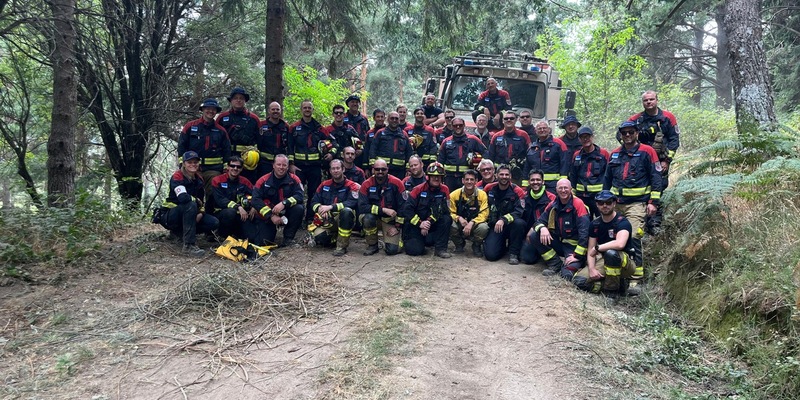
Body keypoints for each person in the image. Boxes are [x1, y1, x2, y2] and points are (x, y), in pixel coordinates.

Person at [604, 121, 662, 294]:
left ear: (637, 133)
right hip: (616, 205)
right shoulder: (614, 154)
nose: (627, 135)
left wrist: (653, 202)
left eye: (630, 132)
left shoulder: (647, 151)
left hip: (637, 204)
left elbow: (656, 177)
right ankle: (613, 280)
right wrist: (604, 201)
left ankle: (636, 280)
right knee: (610, 239)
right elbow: (607, 180)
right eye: (624, 133)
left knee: (634, 237)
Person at [628, 90, 680, 234]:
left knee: (659, 188)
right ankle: (640, 220)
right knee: (642, 188)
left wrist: (667, 161)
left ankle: (655, 223)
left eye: (651, 99)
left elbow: (674, 140)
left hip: (661, 161)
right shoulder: (636, 120)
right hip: (641, 162)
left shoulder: (667, 118)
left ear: (657, 100)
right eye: (646, 100)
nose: (649, 102)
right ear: (642, 102)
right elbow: (621, 133)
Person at [572, 190, 638, 296]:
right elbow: (590, 250)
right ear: (597, 205)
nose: (605, 206)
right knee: (579, 282)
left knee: (611, 253)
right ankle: (618, 285)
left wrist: (598, 248)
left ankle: (611, 293)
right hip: (604, 260)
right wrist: (592, 269)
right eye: (601, 203)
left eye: (608, 202)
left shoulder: (622, 222)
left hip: (625, 263)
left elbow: (620, 244)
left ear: (614, 203)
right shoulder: (595, 224)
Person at [162, 151, 220, 257]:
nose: (193, 164)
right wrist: (196, 201)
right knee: (190, 204)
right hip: (171, 215)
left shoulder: (199, 179)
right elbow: (183, 198)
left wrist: (201, 213)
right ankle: (189, 246)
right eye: (190, 162)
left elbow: (202, 202)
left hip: (190, 211)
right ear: (184, 163)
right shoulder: (178, 176)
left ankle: (179, 234)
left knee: (213, 222)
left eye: (195, 162)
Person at [531, 178, 590, 279]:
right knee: (534, 235)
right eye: (560, 188)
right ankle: (555, 263)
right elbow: (538, 222)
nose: (563, 190)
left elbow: (584, 233)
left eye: (566, 188)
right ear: (556, 190)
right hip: (559, 242)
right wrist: (543, 228)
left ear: (571, 189)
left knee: (566, 275)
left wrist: (576, 256)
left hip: (574, 247)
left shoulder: (578, 204)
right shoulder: (553, 204)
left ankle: (579, 263)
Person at [288, 100, 332, 222]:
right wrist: (291, 165)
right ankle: (295, 219)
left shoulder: (319, 128)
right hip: (299, 167)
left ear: (312, 110)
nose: (307, 110)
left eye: (309, 108)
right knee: (297, 192)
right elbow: (290, 148)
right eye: (305, 108)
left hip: (315, 167)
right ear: (301, 110)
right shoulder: (293, 128)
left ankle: (310, 218)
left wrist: (330, 153)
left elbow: (332, 143)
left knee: (314, 193)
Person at [178, 98, 231, 194]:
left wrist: (225, 168)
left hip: (213, 169)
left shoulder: (221, 131)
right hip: (192, 168)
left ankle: (210, 209)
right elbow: (182, 146)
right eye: (208, 108)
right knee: (192, 194)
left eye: (213, 109)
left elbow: (226, 151)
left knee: (212, 193)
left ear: (216, 112)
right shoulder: (190, 126)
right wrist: (183, 164)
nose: (210, 111)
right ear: (202, 110)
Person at [251, 154, 306, 247]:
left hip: (286, 212)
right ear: (273, 165)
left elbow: (300, 196)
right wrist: (271, 215)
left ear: (288, 167)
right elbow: (255, 200)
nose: (281, 167)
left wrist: (284, 203)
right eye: (279, 164)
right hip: (268, 215)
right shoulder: (263, 180)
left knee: (299, 208)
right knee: (264, 242)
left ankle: (288, 238)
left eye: (284, 165)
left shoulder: (294, 179)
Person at [310, 159, 361, 256]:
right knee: (320, 239)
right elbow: (313, 202)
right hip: (327, 220)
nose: (335, 171)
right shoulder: (324, 185)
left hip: (345, 219)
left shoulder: (352, 186)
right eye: (333, 169)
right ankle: (335, 237)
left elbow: (352, 202)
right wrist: (320, 208)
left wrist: (330, 207)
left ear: (343, 169)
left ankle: (342, 246)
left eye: (338, 168)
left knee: (346, 211)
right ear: (330, 171)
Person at [403, 162, 452, 258]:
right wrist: (420, 223)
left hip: (431, 225)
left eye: (439, 176)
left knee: (447, 218)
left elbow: (445, 209)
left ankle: (440, 249)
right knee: (415, 251)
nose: (436, 178)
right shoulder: (418, 190)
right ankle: (420, 242)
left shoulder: (444, 190)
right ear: (428, 177)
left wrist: (428, 222)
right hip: (416, 225)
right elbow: (407, 210)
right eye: (433, 176)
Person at [358, 159, 406, 256]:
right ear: (373, 170)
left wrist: (397, 227)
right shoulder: (366, 184)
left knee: (392, 250)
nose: (380, 171)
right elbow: (362, 207)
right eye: (377, 169)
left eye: (383, 169)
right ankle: (372, 245)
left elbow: (403, 206)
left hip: (390, 221)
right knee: (367, 218)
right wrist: (382, 210)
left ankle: (394, 241)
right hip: (374, 219)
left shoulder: (397, 183)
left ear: (387, 169)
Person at [483, 164, 526, 264]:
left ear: (510, 176)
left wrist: (503, 219)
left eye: (507, 174)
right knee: (491, 256)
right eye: (501, 174)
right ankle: (501, 247)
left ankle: (513, 253)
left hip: (512, 226)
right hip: (495, 226)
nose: (504, 177)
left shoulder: (517, 191)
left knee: (519, 223)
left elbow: (520, 211)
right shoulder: (489, 188)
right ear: (496, 175)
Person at [217, 88, 261, 183]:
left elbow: (260, 141)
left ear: (245, 101)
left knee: (248, 185)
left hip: (248, 160)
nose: (238, 100)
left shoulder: (254, 119)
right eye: (235, 98)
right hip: (228, 157)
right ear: (231, 101)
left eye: (241, 98)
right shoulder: (222, 118)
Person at [209, 156, 257, 240]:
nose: (235, 168)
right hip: (220, 214)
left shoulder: (244, 181)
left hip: (241, 215)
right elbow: (220, 200)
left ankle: (236, 234)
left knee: (251, 237)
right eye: (232, 166)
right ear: (227, 167)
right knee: (230, 213)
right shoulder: (217, 180)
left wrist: (254, 206)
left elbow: (256, 194)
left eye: (238, 167)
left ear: (242, 169)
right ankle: (221, 235)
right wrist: (238, 207)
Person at [569, 126, 609, 219]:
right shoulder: (577, 155)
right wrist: (573, 193)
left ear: (592, 137)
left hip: (599, 196)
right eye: (583, 137)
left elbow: (608, 175)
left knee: (603, 220)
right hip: (581, 196)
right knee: (583, 220)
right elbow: (573, 175)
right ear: (579, 139)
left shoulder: (603, 154)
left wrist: (606, 193)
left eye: (588, 136)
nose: (585, 139)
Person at [438, 117, 487, 190]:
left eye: (460, 125)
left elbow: (486, 153)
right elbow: (440, 161)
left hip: (468, 178)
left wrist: (480, 164)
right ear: (452, 126)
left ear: (464, 125)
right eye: (455, 125)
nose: (458, 127)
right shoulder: (446, 141)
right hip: (450, 178)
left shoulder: (473, 139)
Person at [449, 169, 490, 257]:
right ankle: (459, 244)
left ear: (476, 181)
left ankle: (476, 245)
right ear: (463, 180)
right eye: (467, 179)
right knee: (449, 223)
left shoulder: (482, 195)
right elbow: (450, 212)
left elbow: (484, 213)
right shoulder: (454, 195)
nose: (469, 182)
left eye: (472, 179)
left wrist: (472, 222)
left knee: (484, 227)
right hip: (460, 223)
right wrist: (458, 218)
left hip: (475, 224)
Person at [522, 119, 570, 193]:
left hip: (553, 186)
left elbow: (565, 165)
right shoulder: (532, 148)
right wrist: (525, 187)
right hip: (536, 186)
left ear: (549, 130)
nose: (542, 130)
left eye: (544, 128)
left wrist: (563, 184)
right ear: (535, 131)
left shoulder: (559, 144)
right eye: (539, 128)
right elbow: (527, 168)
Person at [520, 170, 556, 265]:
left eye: (538, 180)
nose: (535, 182)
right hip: (526, 233)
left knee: (529, 258)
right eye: (532, 180)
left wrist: (534, 228)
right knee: (527, 259)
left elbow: (552, 220)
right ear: (529, 182)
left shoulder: (551, 198)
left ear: (543, 181)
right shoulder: (524, 196)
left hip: (542, 232)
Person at [487, 111, 531, 185]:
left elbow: (530, 155)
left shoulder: (524, 135)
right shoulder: (496, 136)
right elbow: (490, 157)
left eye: (511, 118)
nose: (509, 120)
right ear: (502, 121)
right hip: (500, 174)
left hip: (517, 175)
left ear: (516, 120)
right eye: (506, 118)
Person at [369, 111, 413, 179]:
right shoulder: (380, 133)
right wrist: (373, 166)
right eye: (392, 118)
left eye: (396, 118)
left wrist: (408, 168)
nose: (394, 120)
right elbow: (373, 150)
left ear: (399, 120)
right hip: (382, 170)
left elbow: (409, 152)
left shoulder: (404, 135)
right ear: (388, 120)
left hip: (400, 171)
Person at [258, 101, 290, 176]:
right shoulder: (261, 125)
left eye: (277, 109)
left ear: (280, 111)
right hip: (264, 163)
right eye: (273, 109)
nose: (275, 111)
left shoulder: (286, 127)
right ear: (269, 111)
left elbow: (290, 146)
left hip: (281, 164)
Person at [343, 94, 370, 172]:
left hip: (361, 153)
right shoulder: (343, 118)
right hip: (346, 153)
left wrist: (362, 149)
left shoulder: (364, 119)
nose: (355, 104)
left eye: (356, 102)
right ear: (348, 104)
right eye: (352, 102)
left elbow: (367, 135)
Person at [363, 108, 386, 173]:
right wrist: (366, 168)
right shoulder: (370, 133)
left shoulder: (389, 132)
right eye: (378, 117)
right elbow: (366, 150)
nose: (380, 119)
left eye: (382, 117)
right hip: (372, 166)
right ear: (374, 118)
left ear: (385, 118)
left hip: (385, 165)